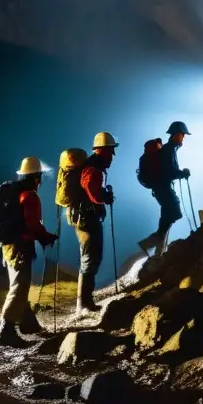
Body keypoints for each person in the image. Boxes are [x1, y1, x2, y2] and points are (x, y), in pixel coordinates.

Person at [0, 157, 58, 348]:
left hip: (8, 246)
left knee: (19, 284)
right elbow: (32, 225)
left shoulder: (13, 193)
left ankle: (27, 323)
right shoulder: (29, 196)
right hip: (19, 247)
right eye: (38, 177)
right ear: (35, 177)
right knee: (19, 286)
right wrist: (47, 236)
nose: (40, 181)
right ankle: (6, 331)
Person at [73, 131, 118, 314]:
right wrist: (106, 196)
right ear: (101, 150)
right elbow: (94, 195)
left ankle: (85, 302)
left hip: (87, 218)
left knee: (90, 259)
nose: (112, 155)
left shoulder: (93, 167)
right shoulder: (93, 169)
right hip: (87, 220)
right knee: (90, 259)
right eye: (110, 151)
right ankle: (84, 303)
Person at [138, 121, 190, 257]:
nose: (183, 137)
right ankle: (149, 243)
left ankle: (158, 252)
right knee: (175, 213)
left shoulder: (169, 149)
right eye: (182, 134)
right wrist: (182, 173)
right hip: (163, 188)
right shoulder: (168, 149)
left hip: (160, 188)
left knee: (167, 216)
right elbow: (170, 171)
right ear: (176, 135)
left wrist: (180, 172)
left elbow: (168, 170)